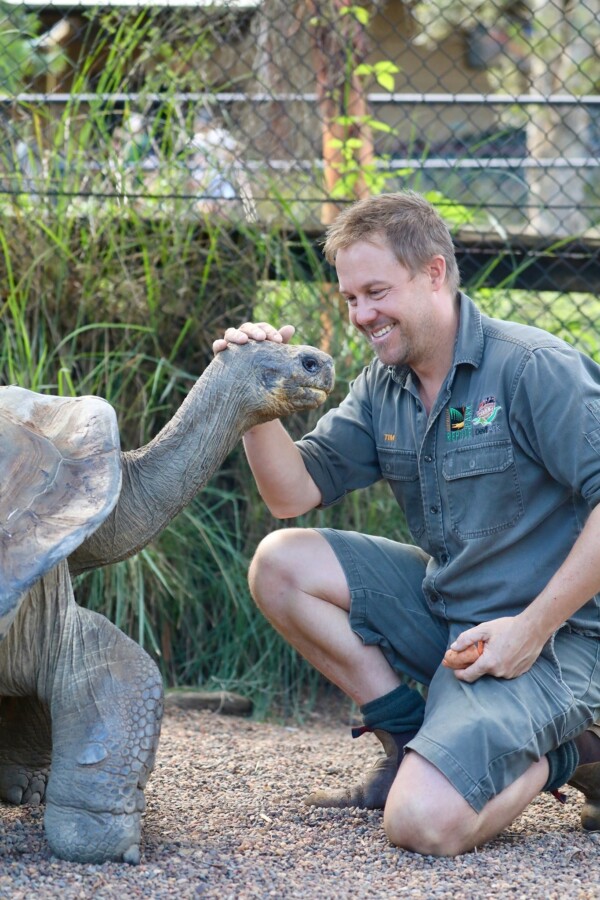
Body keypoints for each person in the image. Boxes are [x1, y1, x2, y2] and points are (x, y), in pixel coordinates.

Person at [212, 191, 600, 856]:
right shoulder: (385, 384)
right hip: (455, 619)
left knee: (419, 825)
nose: (362, 315)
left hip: (556, 640)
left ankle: (569, 752)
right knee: (281, 563)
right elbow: (291, 494)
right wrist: (254, 392)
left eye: (375, 292)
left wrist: (530, 631)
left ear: (435, 273)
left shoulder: (531, 367)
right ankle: (409, 739)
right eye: (350, 299)